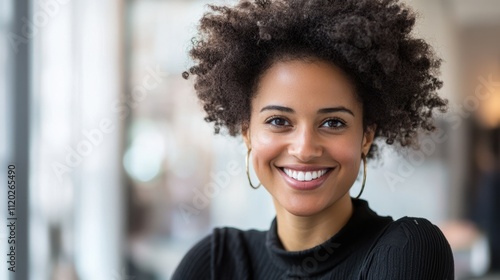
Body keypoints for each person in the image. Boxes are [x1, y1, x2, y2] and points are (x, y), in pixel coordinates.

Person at [173, 0, 454, 279]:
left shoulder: (407, 249)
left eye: (333, 123)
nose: (305, 149)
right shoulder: (214, 263)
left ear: (366, 137)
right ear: (247, 133)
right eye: (279, 121)